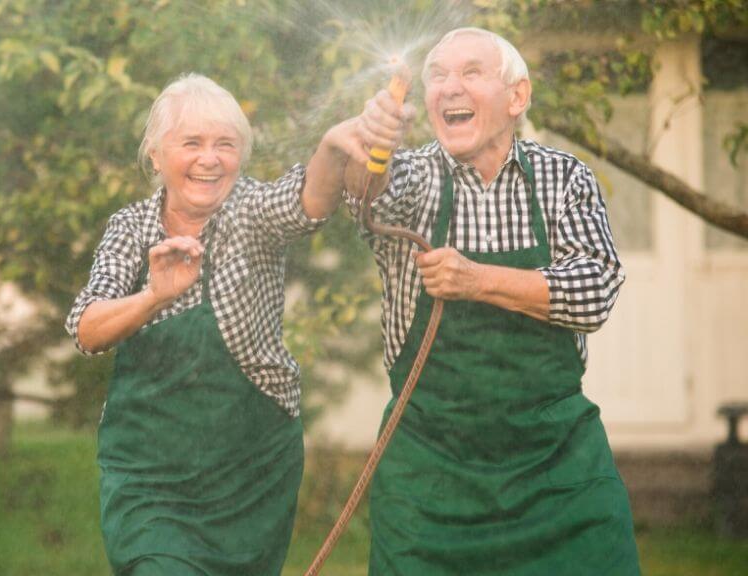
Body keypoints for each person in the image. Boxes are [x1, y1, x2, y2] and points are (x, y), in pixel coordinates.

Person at [335, 27, 642, 574]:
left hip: (555, 465)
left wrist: (478, 281)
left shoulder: (564, 179)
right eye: (436, 75)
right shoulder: (410, 176)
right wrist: (369, 144)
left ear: (517, 97)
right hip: (429, 473)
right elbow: (363, 193)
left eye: (470, 73)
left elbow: (594, 292)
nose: (448, 87)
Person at [64, 73, 375, 576]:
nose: (210, 159)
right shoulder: (131, 228)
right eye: (192, 143)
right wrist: (154, 296)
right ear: (156, 155)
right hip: (150, 475)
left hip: (249, 472)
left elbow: (306, 203)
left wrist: (332, 149)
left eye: (225, 145)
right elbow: (87, 329)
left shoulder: (251, 212)